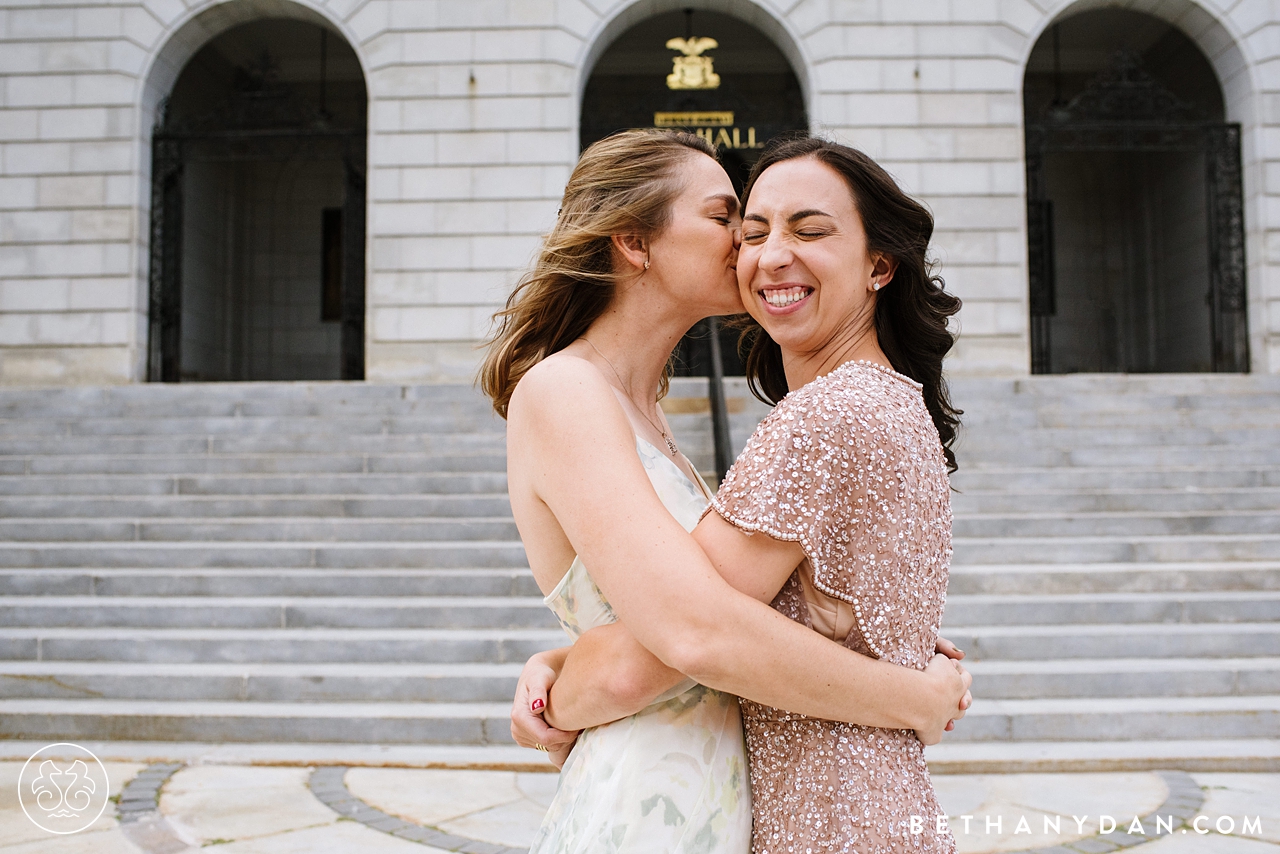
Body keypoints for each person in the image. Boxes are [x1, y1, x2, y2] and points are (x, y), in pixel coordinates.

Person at [481, 129, 969, 853]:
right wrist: (914, 696)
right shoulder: (566, 391)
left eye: (798, 229)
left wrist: (560, 674)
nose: (750, 250)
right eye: (731, 223)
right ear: (635, 243)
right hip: (654, 798)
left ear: (878, 265)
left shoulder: (668, 410)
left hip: (731, 791)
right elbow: (691, 629)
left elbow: (690, 622)